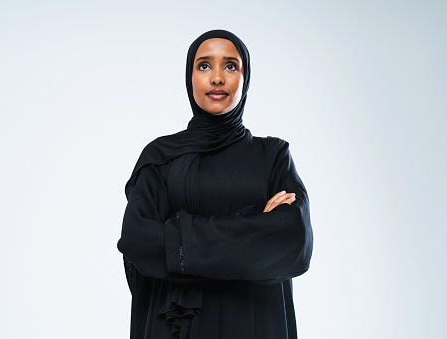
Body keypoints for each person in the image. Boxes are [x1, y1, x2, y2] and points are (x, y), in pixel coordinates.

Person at [117, 29, 313, 339]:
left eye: (230, 66)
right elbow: (138, 241)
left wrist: (179, 239)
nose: (217, 78)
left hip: (255, 324)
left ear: (244, 79)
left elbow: (294, 244)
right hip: (179, 327)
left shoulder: (273, 155)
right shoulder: (161, 157)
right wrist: (254, 224)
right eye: (205, 66)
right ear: (189, 76)